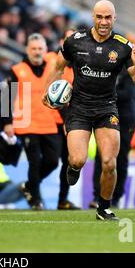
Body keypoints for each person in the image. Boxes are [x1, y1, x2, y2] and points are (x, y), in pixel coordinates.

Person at [43, 0, 135, 221]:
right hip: (79, 108)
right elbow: (58, 66)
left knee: (110, 162)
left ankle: (104, 208)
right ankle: (73, 167)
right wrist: (48, 90)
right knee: (77, 160)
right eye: (99, 17)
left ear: (114, 19)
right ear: (93, 17)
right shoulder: (75, 41)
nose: (103, 21)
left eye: (107, 17)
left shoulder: (123, 46)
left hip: (107, 108)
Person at [2, 33, 61, 210]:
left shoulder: (53, 66)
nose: (37, 52)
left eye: (40, 49)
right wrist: (7, 122)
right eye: (34, 48)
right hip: (27, 124)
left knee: (52, 161)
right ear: (27, 50)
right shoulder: (17, 69)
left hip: (49, 122)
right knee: (34, 162)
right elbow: (7, 97)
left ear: (46, 50)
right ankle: (35, 200)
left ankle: (29, 186)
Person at [91, 60, 135, 209]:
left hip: (125, 119)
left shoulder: (130, 70)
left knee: (121, 156)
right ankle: (98, 195)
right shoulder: (104, 67)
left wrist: (104, 92)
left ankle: (116, 196)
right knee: (101, 156)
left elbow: (129, 93)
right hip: (106, 116)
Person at [45, 29, 81, 210]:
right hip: (50, 121)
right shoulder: (53, 61)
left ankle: (62, 200)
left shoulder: (80, 64)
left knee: (69, 160)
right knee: (50, 160)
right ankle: (32, 190)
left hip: (69, 119)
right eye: (67, 38)